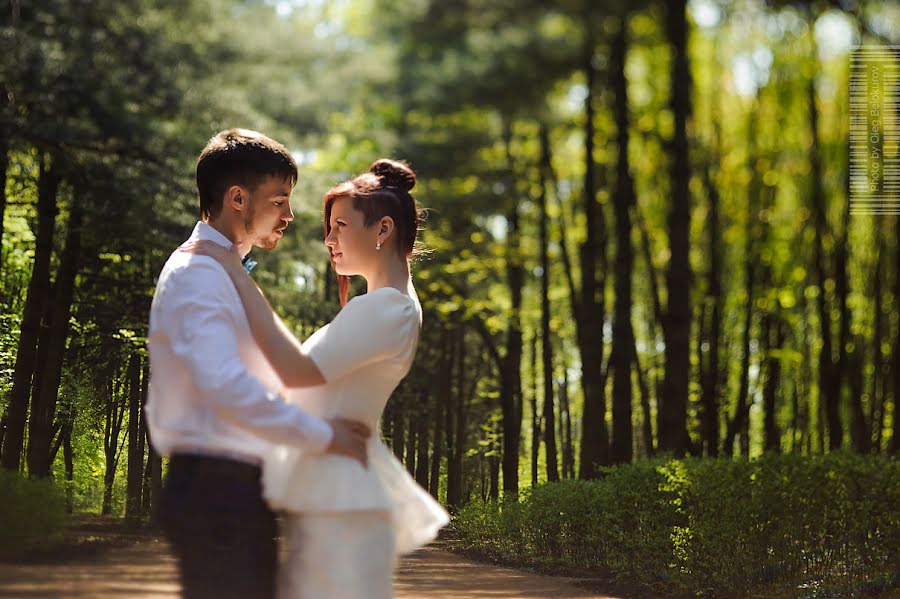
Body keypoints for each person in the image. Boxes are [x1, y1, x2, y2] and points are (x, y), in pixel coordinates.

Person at [180, 158, 450, 599]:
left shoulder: (387, 308)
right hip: (339, 494)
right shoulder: (387, 306)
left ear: (383, 230)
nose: (329, 239)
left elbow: (295, 374)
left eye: (340, 225)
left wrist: (232, 271)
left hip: (344, 499)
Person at [146, 128, 372, 599]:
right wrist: (325, 437)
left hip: (230, 488)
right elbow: (226, 388)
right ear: (237, 198)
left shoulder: (222, 270)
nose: (289, 215)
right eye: (279, 200)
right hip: (215, 490)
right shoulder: (198, 275)